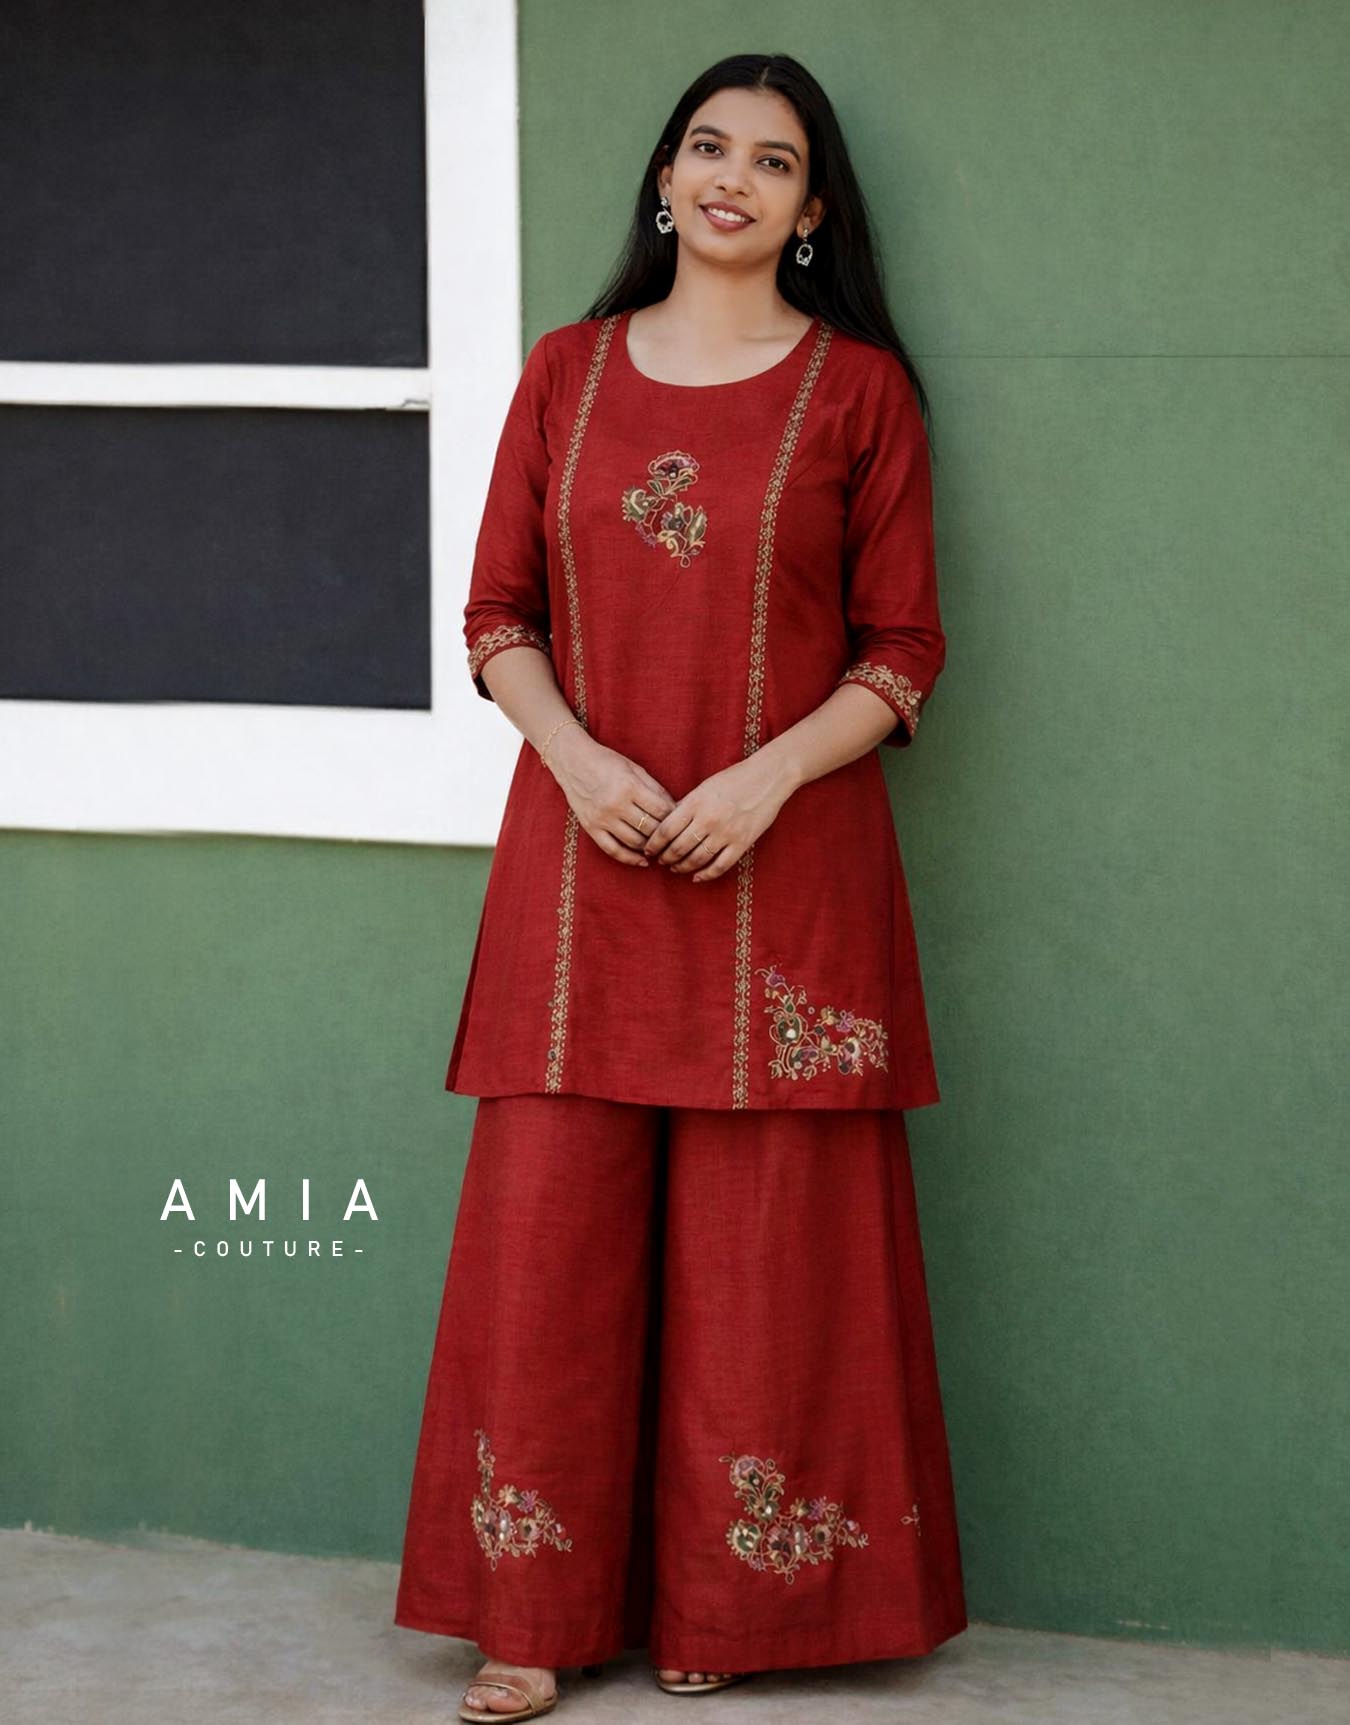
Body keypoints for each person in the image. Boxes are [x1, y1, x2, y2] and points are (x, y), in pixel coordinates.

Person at [395, 51, 967, 1722]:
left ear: (810, 209)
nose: (732, 178)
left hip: (785, 876)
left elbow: (903, 646)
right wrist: (578, 762)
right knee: (549, 1249)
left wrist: (762, 780)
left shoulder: (859, 394)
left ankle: (735, 1604)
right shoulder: (564, 374)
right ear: (661, 177)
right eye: (707, 147)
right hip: (578, 867)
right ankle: (530, 1614)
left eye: (772, 161)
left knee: (765, 1258)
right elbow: (496, 615)